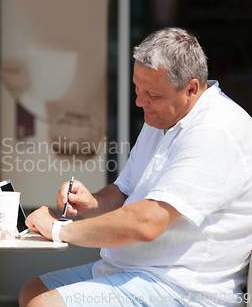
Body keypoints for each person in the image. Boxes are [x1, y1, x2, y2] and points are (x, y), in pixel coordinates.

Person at [20, 27, 252, 307]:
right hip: (139, 271)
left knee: (44, 304)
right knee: (32, 291)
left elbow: (147, 222)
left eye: (152, 94)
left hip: (182, 289)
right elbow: (124, 192)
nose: (139, 102)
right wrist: (91, 203)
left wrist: (59, 230)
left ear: (191, 89)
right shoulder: (165, 115)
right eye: (137, 89)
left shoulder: (216, 131)